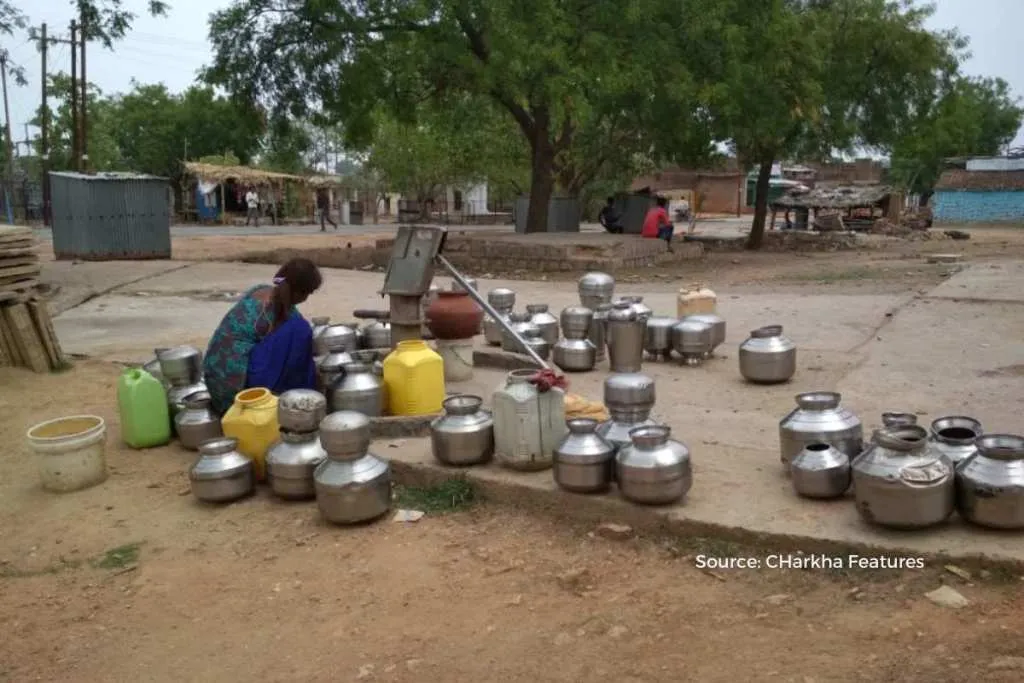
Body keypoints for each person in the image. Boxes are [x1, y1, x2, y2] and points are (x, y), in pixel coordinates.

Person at [202, 258, 323, 416]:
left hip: (217, 387)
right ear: (301, 292)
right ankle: (300, 397)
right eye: (309, 292)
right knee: (301, 333)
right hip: (239, 394)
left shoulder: (260, 291)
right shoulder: (284, 315)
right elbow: (297, 353)